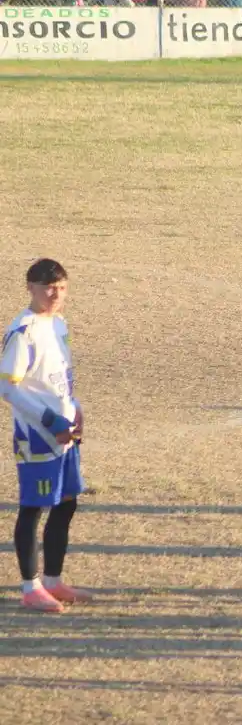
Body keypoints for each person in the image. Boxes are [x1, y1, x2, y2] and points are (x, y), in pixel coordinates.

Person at [1, 260, 90, 614]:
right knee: (33, 508)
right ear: (30, 288)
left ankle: (53, 581)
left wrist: (74, 406)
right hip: (37, 435)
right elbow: (8, 388)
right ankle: (30, 587)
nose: (55, 294)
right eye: (48, 287)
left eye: (62, 288)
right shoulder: (22, 332)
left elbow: (59, 374)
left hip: (64, 433)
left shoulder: (58, 323)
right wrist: (51, 420)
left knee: (66, 503)